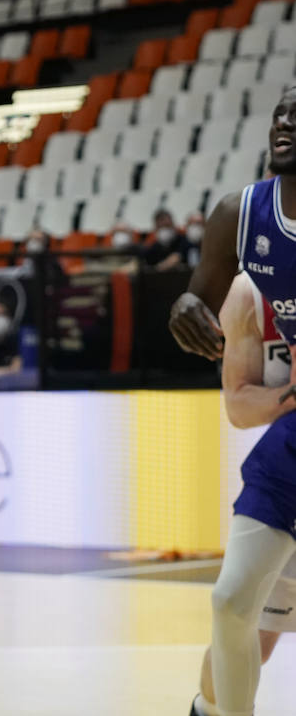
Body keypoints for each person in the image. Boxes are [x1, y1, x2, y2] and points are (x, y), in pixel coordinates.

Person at [168, 85, 296, 716]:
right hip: (289, 440)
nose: (287, 123)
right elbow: (238, 405)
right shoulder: (241, 221)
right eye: (281, 113)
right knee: (233, 607)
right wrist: (186, 308)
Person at [188, 270, 296, 716]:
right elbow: (238, 405)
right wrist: (291, 401)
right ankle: (205, 709)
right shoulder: (251, 291)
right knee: (240, 624)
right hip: (285, 475)